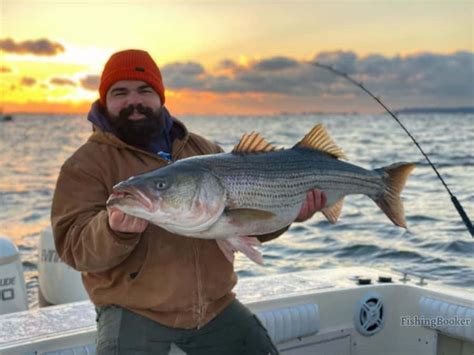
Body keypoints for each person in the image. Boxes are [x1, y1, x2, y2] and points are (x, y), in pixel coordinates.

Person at [51, 49, 327, 355]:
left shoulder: (203, 148)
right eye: (120, 92)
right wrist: (113, 231)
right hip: (134, 312)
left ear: (160, 97)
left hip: (215, 308)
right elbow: (72, 248)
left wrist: (290, 212)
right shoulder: (86, 165)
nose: (134, 101)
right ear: (104, 100)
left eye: (144, 90)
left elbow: (246, 224)